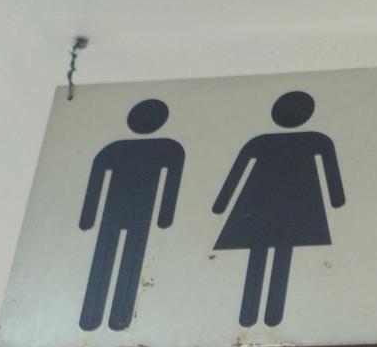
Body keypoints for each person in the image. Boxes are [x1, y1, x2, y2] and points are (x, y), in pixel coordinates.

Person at [211, 91, 345, 327]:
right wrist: (336, 199)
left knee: (265, 252)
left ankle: (259, 315)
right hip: (290, 204)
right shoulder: (315, 140)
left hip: (267, 204)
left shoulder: (263, 141)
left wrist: (221, 205)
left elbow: (236, 175)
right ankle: (261, 315)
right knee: (276, 252)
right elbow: (331, 175)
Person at [78, 98, 185, 331]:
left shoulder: (122, 149)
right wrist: (164, 216)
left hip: (129, 214)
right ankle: (103, 317)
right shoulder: (165, 148)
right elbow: (97, 181)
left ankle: (108, 317)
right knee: (118, 259)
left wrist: (88, 218)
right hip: (131, 214)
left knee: (121, 260)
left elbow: (171, 182)